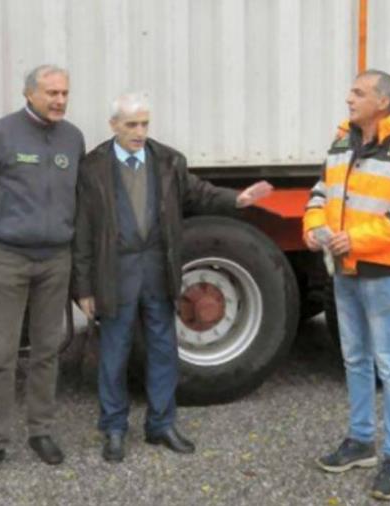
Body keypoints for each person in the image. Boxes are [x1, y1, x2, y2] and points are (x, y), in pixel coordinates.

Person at [72, 92, 273, 463]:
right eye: (131, 124)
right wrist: (82, 287)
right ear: (114, 125)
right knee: (114, 353)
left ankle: (161, 424)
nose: (139, 132)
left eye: (145, 124)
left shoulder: (167, 161)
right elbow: (83, 231)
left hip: (157, 271)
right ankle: (114, 428)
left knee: (164, 350)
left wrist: (237, 200)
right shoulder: (93, 167)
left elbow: (200, 193)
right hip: (114, 274)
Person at [303, 70, 390, 501]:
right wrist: (313, 227)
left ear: (383, 101)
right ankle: (360, 442)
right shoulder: (343, 141)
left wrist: (354, 240)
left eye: (358, 93)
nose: (349, 99)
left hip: (381, 273)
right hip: (345, 270)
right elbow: (320, 194)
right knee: (355, 358)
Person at [0, 64, 85, 480]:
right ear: (29, 94)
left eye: (64, 93)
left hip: (56, 259)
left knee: (49, 349)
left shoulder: (73, 138)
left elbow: (81, 206)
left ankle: (41, 431)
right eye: (51, 93)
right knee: (2, 354)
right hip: (10, 258)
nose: (60, 101)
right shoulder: (0, 134)